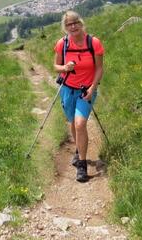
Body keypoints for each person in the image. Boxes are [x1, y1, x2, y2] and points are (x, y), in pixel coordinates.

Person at [53, 10, 104, 182]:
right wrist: (64, 68)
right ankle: (78, 149)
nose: (73, 26)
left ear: (81, 23)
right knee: (73, 123)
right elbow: (55, 66)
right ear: (65, 27)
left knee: (80, 124)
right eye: (69, 24)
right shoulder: (62, 44)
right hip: (67, 89)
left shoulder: (93, 43)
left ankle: (81, 165)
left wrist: (93, 88)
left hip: (86, 91)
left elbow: (99, 68)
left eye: (76, 22)